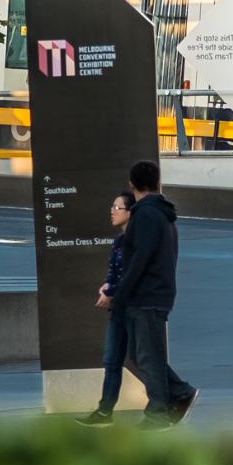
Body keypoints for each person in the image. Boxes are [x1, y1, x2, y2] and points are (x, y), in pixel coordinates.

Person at [109, 158, 198, 424]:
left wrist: (122, 293)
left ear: (131, 185)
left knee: (144, 355)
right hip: (158, 292)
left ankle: (160, 408)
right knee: (142, 353)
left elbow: (139, 259)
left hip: (145, 295)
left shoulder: (145, 215)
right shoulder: (163, 214)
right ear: (157, 182)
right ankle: (178, 394)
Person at [78, 187, 136, 425]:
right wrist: (107, 286)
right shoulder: (119, 240)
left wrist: (110, 291)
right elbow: (114, 273)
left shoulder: (136, 241)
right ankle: (105, 411)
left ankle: (170, 398)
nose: (112, 212)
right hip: (119, 310)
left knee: (143, 360)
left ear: (131, 212)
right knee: (111, 359)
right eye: (112, 207)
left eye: (117, 207)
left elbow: (130, 274)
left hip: (135, 308)